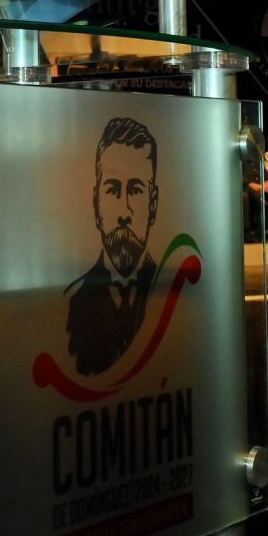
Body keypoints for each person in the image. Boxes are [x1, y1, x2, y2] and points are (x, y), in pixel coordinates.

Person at [65, 117, 159, 376]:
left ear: (153, 205)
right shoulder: (70, 302)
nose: (124, 212)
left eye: (136, 190)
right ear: (96, 204)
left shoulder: (174, 289)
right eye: (113, 190)